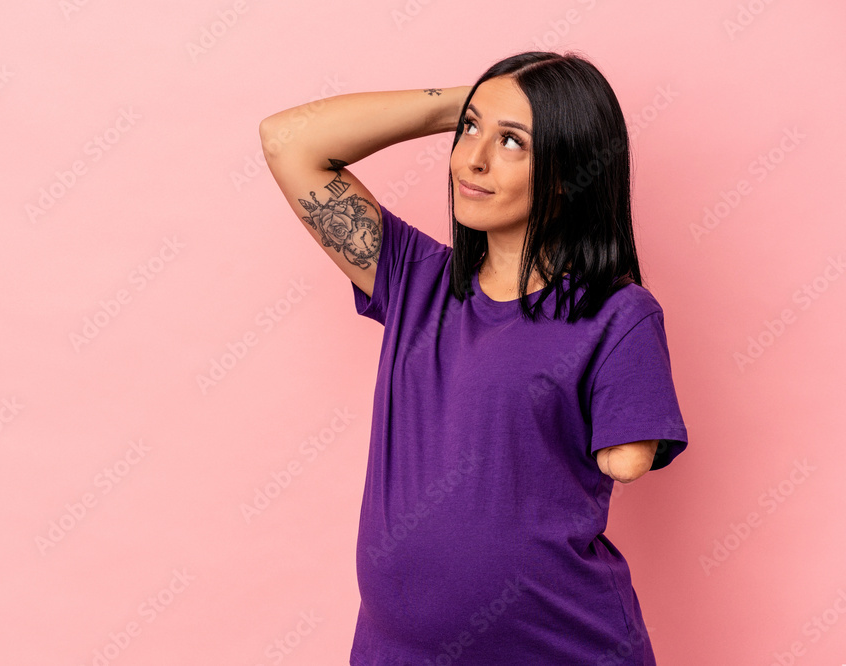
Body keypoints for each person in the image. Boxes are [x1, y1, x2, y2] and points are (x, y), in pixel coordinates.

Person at [259, 51, 689, 665]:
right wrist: (469, 101)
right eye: (469, 130)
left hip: (562, 648)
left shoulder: (617, 313)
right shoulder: (414, 279)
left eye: (513, 141)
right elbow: (287, 141)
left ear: (569, 172)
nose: (473, 159)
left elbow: (627, 460)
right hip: (395, 651)